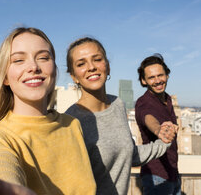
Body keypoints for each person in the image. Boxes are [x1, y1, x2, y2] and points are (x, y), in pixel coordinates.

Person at [0, 28, 96, 195]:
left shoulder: (72, 124)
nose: (33, 67)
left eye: (43, 57)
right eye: (18, 60)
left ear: (54, 69)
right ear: (6, 77)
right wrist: (5, 187)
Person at [65, 37, 177, 195]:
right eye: (81, 64)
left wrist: (164, 141)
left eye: (97, 59)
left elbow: (130, 155)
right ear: (74, 76)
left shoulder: (117, 104)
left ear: (108, 67)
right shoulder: (70, 121)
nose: (91, 67)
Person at [135, 53, 180, 195]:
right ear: (143, 81)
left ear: (167, 75)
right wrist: (158, 129)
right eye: (151, 77)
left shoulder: (168, 98)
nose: (157, 80)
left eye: (160, 75)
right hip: (156, 176)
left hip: (173, 172)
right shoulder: (144, 102)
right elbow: (147, 117)